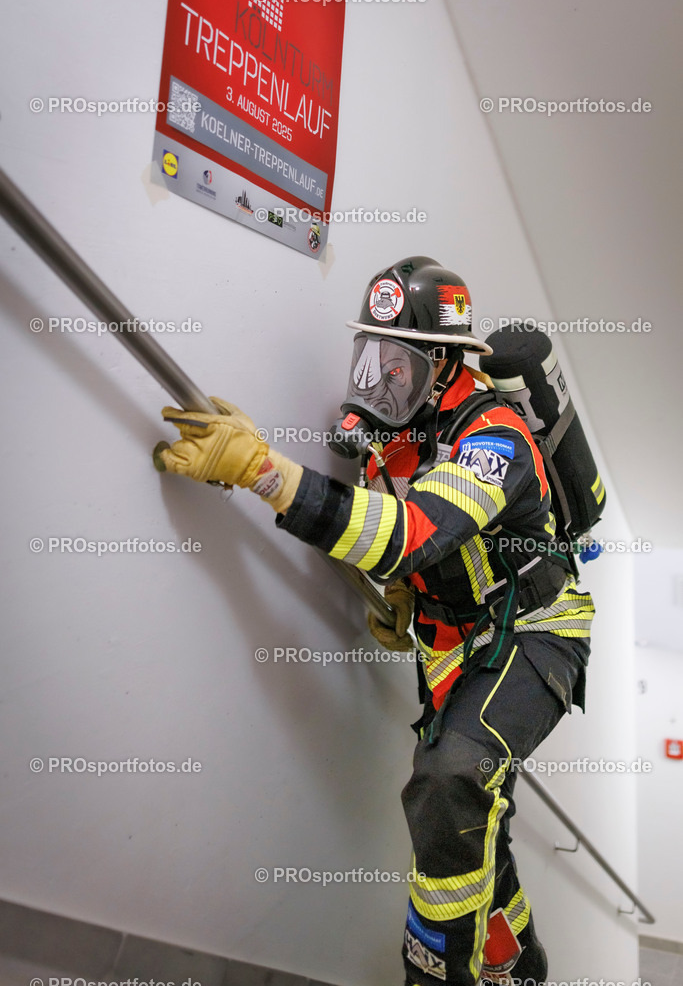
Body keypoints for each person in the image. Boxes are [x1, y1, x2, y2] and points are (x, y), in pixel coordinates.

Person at [157, 256, 594, 986]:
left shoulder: (496, 438)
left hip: (533, 629)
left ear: (447, 364)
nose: (376, 383)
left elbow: (414, 531)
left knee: (449, 779)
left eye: (397, 364)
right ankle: (516, 963)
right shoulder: (391, 435)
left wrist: (264, 471)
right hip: (450, 646)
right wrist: (401, 600)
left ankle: (432, 976)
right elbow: (394, 543)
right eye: (370, 358)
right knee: (481, 811)